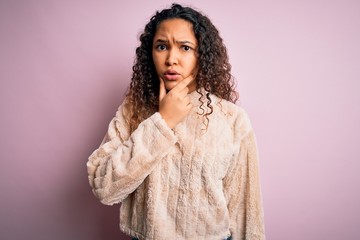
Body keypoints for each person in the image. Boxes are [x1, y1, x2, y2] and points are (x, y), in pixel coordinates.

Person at [87, 3, 265, 240]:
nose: (172, 59)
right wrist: (162, 122)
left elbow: (246, 212)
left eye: (185, 47)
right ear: (150, 53)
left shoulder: (232, 119)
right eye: (162, 46)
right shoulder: (134, 110)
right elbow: (104, 188)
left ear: (202, 54)